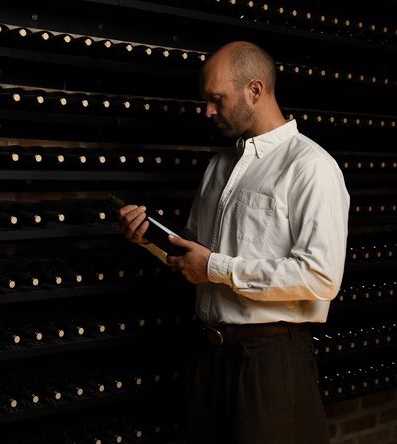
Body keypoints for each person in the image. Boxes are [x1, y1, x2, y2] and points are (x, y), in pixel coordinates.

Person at [118, 41, 349, 444]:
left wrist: (214, 267)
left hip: (270, 362)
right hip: (208, 356)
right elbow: (194, 251)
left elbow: (321, 277)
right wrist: (149, 239)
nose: (207, 111)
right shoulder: (219, 165)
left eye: (216, 99)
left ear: (254, 91)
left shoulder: (311, 167)